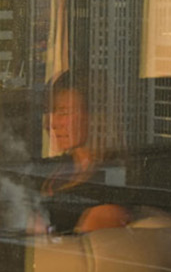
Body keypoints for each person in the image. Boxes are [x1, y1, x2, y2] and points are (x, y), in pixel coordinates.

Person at [27, 76, 130, 236]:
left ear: (94, 116)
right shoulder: (58, 169)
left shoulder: (110, 183)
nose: (52, 123)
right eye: (49, 111)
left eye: (63, 112)